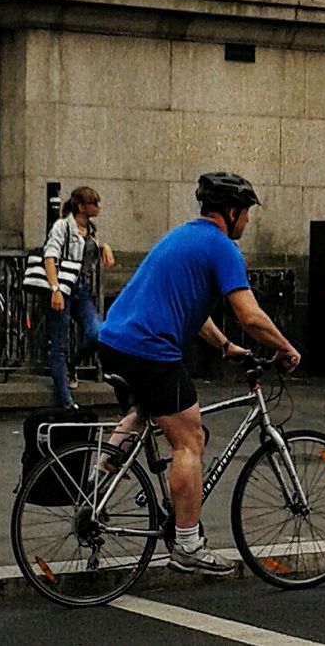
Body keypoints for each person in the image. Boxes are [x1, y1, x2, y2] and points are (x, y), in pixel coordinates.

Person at [97, 173, 300, 576]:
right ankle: (188, 545)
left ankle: (96, 484)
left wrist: (226, 347)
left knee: (148, 413)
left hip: (114, 342)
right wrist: (285, 347)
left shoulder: (183, 237)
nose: (248, 222)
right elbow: (250, 314)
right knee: (189, 439)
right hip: (149, 350)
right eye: (246, 214)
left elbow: (195, 310)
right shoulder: (222, 247)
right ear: (231, 212)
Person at [42, 185, 114, 408]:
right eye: (94, 203)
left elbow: (89, 248)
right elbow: (50, 256)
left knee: (97, 332)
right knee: (59, 345)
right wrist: (55, 289)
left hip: (81, 289)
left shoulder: (90, 230)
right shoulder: (63, 226)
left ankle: (72, 367)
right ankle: (65, 401)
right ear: (82, 207)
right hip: (62, 287)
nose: (98, 207)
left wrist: (104, 246)